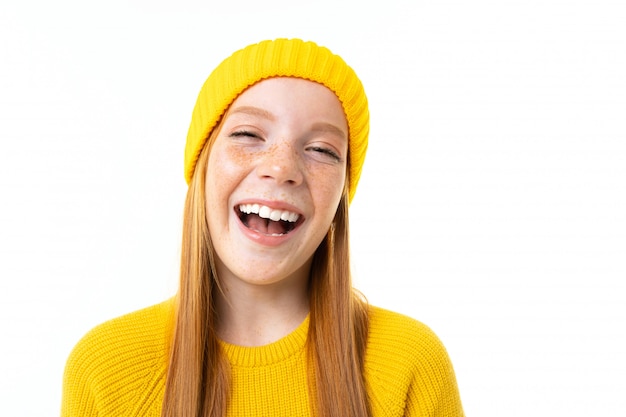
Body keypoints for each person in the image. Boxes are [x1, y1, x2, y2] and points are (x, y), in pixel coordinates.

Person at [61, 38, 465, 417]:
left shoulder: (409, 363)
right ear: (202, 167)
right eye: (248, 134)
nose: (281, 168)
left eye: (322, 150)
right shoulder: (105, 370)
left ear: (341, 195)